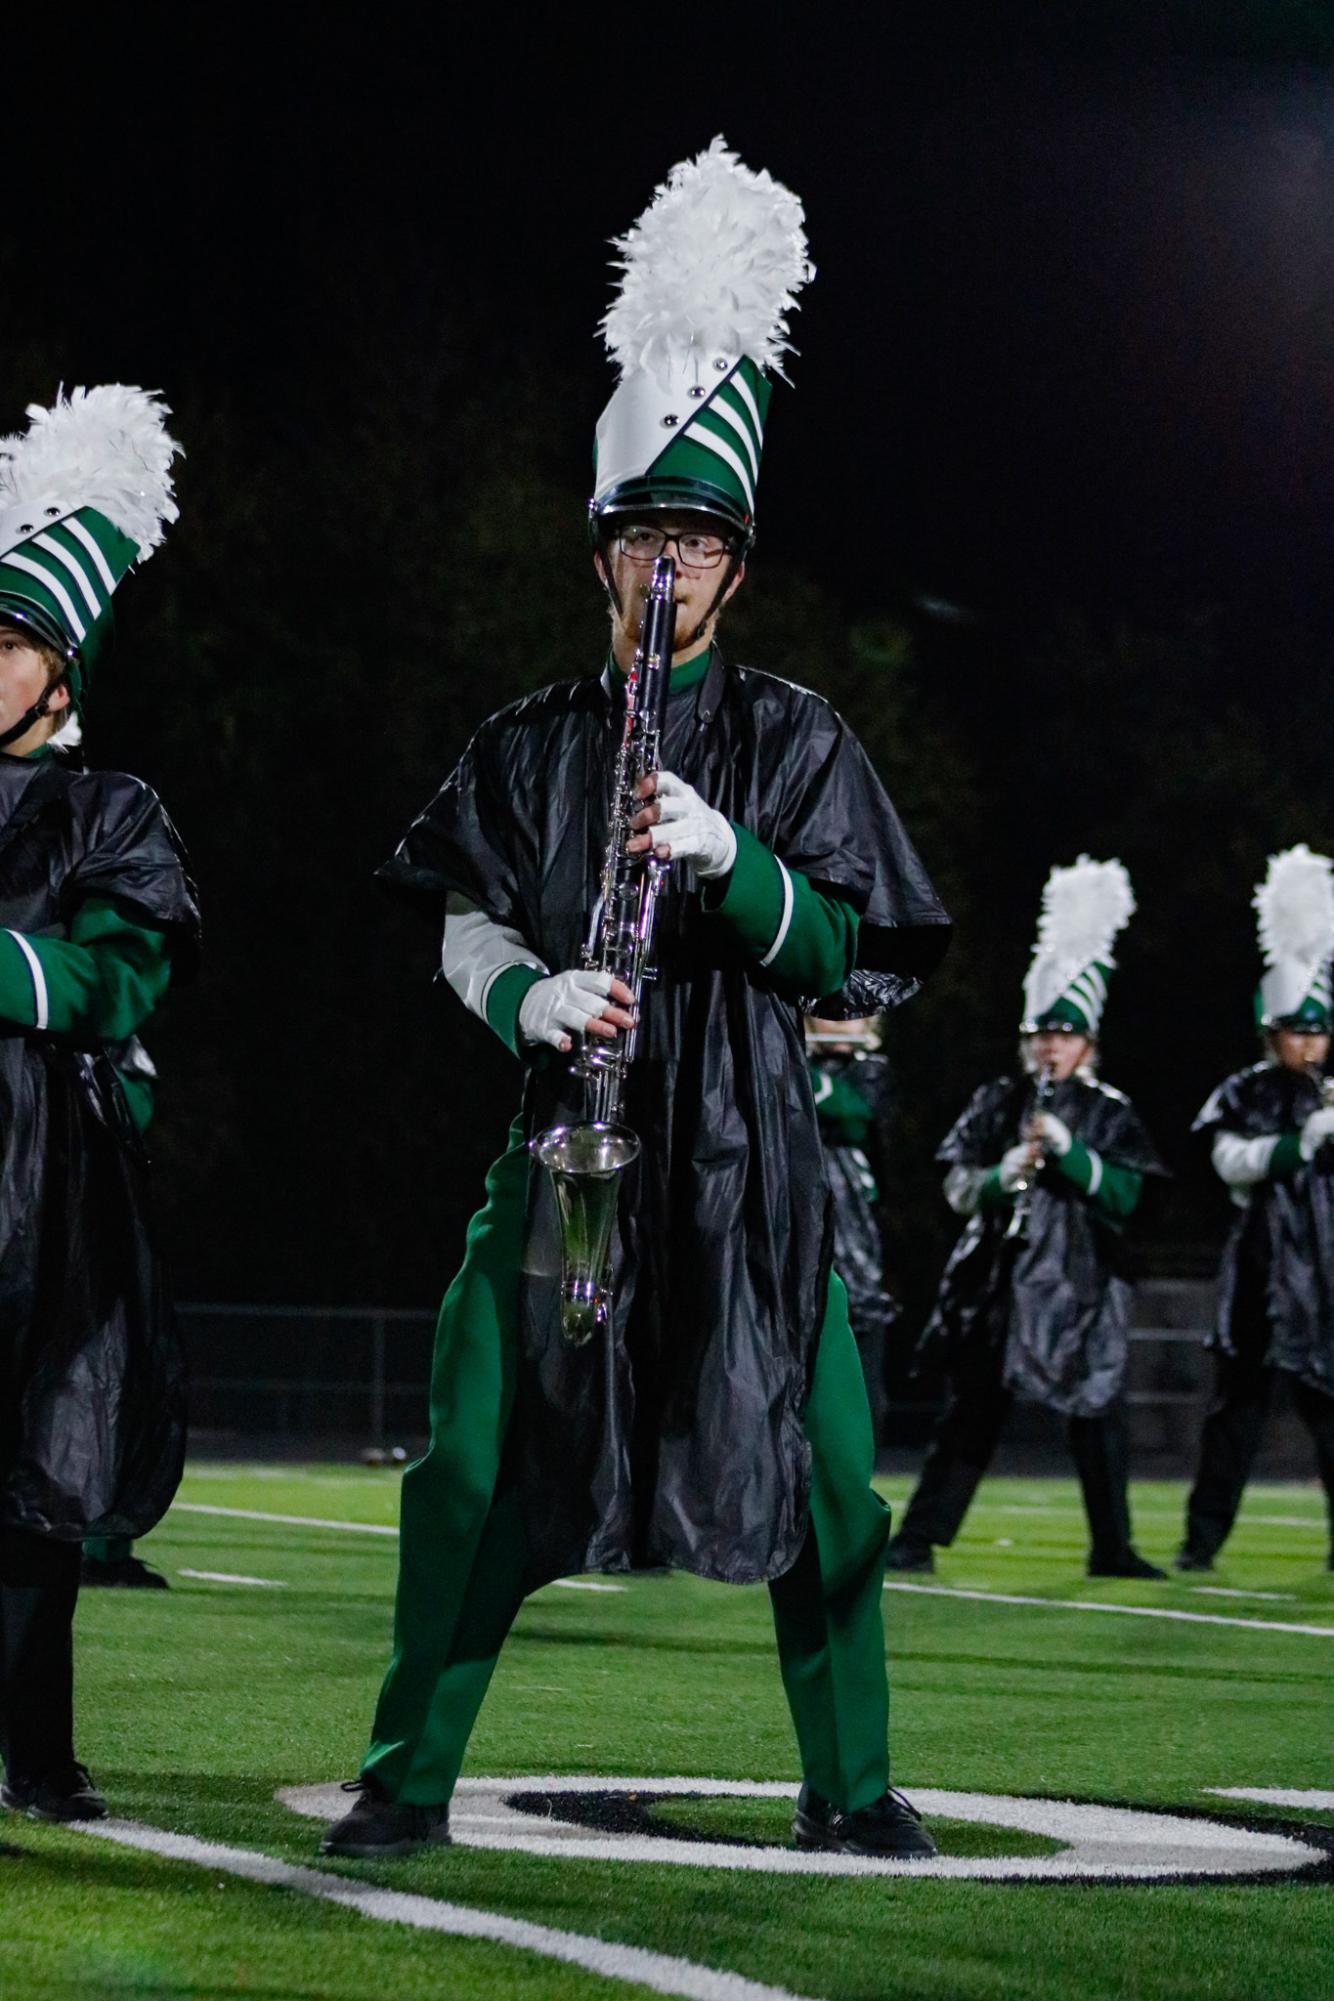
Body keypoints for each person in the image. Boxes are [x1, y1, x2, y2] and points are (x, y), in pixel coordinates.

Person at [324, 138, 950, 1863]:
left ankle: (853, 1784)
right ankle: (404, 1777)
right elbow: (455, 923)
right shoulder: (527, 743)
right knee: (474, 1451)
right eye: (642, 538)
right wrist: (528, 996)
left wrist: (735, 864)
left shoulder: (799, 738)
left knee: (822, 1471)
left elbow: (851, 950)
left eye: (697, 540)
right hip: (570, 1163)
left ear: (735, 567)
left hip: (751, 1173)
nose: (667, 566)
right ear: (599, 555)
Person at [0, 387, 197, 1822]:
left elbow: (123, 976)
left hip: (42, 1178)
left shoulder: (109, 808)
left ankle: (40, 1755)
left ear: (61, 670)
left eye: (9, 639)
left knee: (33, 1486)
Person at [887, 857, 1167, 1580]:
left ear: (1089, 1041)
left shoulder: (1111, 1111)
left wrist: (1073, 1158)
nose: (1052, 1043)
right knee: (971, 1414)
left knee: (1096, 1416)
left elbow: (1133, 1197)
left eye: (1066, 1033)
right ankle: (919, 1537)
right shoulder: (996, 1099)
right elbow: (954, 1186)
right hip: (1003, 1283)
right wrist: (1000, 1175)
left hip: (1080, 1287)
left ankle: (1113, 1546)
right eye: (1042, 1030)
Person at [1178, 844, 1334, 1572]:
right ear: (1270, 1030)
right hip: (1263, 1274)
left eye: (1315, 1028)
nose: (1306, 1042)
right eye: (1293, 1029)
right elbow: (1229, 1164)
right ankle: (1200, 1542)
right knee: (1234, 1418)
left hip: (1329, 1278)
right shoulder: (1245, 1089)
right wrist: (1298, 1142)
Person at [81, 1039, 171, 1591]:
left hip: (87, 1229)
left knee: (107, 1390)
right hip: (62, 1230)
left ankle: (100, 1545)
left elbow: (133, 1108)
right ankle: (93, 1545)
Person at [806, 1015, 896, 1443]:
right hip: (795, 1241)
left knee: (861, 1378)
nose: (839, 1021)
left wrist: (782, 1056)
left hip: (854, 1251)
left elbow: (854, 1112)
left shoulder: (873, 1071)